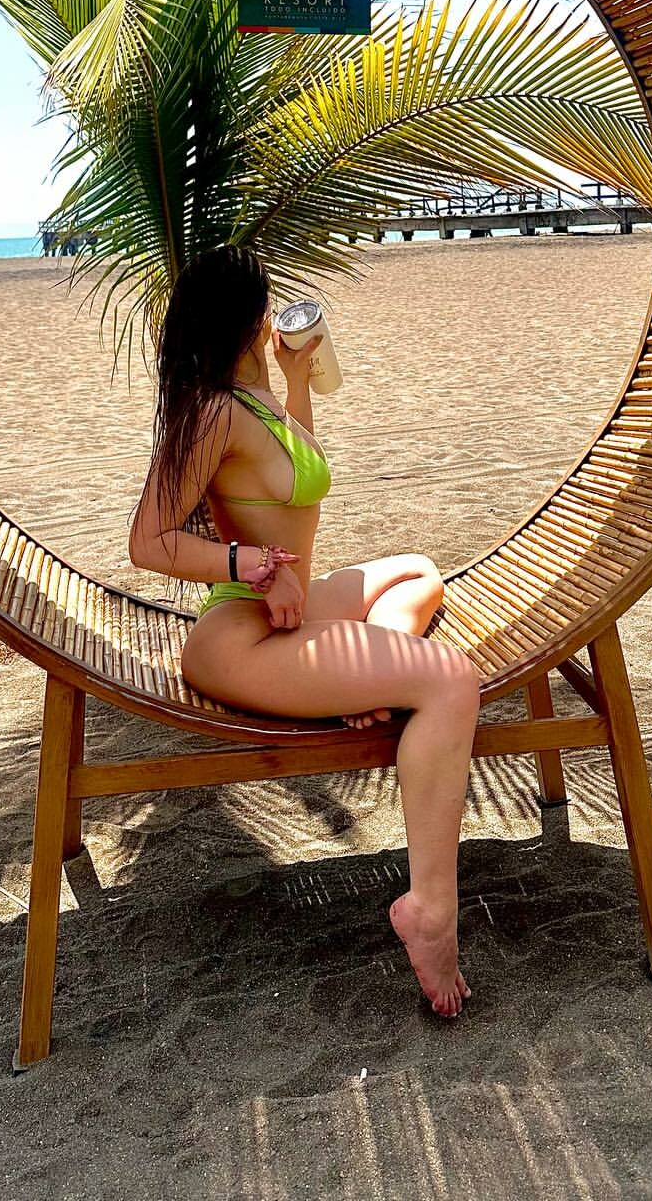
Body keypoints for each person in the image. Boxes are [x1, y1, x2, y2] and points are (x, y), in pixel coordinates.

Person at [127, 244, 481, 1016]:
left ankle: (372, 675)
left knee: (416, 574)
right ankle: (430, 911)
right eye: (265, 304)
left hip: (285, 613)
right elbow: (148, 541)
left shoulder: (252, 399)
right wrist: (250, 562)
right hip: (241, 636)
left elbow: (296, 471)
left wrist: (293, 380)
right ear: (250, 318)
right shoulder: (211, 411)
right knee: (453, 683)